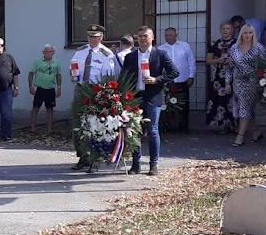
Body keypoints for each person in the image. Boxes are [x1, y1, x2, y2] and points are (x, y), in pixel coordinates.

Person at [121, 26, 177, 176]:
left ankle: (153, 164)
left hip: (153, 97)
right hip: (135, 98)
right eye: (139, 36)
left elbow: (174, 72)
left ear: (152, 37)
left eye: (145, 36)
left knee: (153, 130)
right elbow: (123, 78)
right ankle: (136, 164)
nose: (142, 39)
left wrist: (157, 80)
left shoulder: (160, 54)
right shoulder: (130, 57)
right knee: (134, 131)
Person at [69, 24, 118, 171]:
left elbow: (108, 76)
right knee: (77, 123)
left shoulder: (106, 54)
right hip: (81, 87)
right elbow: (73, 67)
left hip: (97, 90)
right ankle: (83, 156)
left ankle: (95, 159)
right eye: (90, 36)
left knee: (96, 125)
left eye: (95, 37)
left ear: (101, 37)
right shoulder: (80, 51)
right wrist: (73, 75)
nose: (92, 39)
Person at [228, 24, 266, 146]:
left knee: (244, 108)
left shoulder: (258, 48)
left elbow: (264, 65)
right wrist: (227, 83)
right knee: (245, 108)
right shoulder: (234, 48)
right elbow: (229, 67)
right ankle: (256, 131)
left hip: (252, 82)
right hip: (237, 82)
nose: (248, 35)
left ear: (253, 34)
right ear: (241, 34)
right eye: (245, 33)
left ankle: (240, 136)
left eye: (250, 33)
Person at [158, 27, 196, 132]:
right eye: (166, 35)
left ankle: (183, 128)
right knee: (167, 105)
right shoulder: (161, 48)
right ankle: (168, 127)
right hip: (168, 81)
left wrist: (191, 76)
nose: (168, 37)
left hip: (183, 79)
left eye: (170, 35)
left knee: (184, 105)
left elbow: (191, 61)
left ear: (176, 35)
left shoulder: (185, 46)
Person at [205, 22, 236, 132]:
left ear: (232, 30)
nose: (225, 30)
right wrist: (218, 60)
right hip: (217, 77)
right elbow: (208, 60)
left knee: (232, 99)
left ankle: (234, 125)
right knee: (219, 99)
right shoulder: (215, 44)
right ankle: (222, 124)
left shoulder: (236, 43)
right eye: (223, 28)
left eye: (228, 28)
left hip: (232, 75)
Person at [28, 44, 62, 135]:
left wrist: (59, 87)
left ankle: (49, 129)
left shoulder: (56, 62)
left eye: (50, 51)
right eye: (46, 51)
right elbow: (31, 73)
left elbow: (58, 75)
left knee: (50, 109)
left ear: (53, 52)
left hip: (51, 89)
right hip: (40, 88)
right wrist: (31, 86)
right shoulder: (37, 62)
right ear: (43, 52)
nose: (48, 53)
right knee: (35, 108)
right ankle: (32, 128)